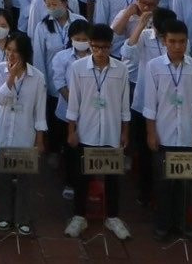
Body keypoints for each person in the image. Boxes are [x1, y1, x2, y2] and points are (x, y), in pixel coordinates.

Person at [139, 17, 192, 243]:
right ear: (164, 41)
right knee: (163, 184)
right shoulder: (154, 67)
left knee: (185, 184)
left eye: (182, 42)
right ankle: (163, 224)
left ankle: (182, 223)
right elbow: (149, 104)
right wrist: (151, 133)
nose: (178, 46)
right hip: (164, 133)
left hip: (187, 134)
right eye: (172, 41)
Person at [64, 24, 132, 240]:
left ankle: (112, 216)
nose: (100, 52)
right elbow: (73, 103)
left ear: (111, 46)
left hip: (111, 132)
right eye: (95, 47)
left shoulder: (121, 69)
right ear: (89, 46)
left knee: (112, 177)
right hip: (86, 131)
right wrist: (71, 131)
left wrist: (125, 132)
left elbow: (124, 106)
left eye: (104, 48)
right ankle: (79, 216)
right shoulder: (77, 68)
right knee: (81, 175)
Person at [0, 30, 47, 237]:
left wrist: (39, 139)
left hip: (25, 134)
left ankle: (23, 218)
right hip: (3, 133)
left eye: (16, 52)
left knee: (25, 180)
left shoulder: (37, 77)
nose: (11, 56)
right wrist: (11, 77)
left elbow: (40, 111)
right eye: (8, 51)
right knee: (2, 179)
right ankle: (4, 216)